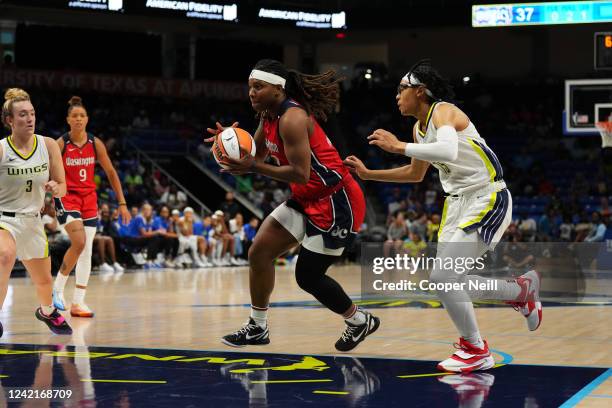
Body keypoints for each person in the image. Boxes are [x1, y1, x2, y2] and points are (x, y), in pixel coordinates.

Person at [344, 60, 541, 372]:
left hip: (486, 196)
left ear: (420, 91)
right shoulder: (417, 128)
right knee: (450, 281)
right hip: (457, 203)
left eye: (401, 89)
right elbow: (414, 173)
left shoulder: (443, 111)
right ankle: (520, 291)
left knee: (443, 277)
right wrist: (370, 175)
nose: (396, 96)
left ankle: (476, 348)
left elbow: (448, 151)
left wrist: (398, 146)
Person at [207, 59, 379, 351]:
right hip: (306, 197)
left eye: (258, 87)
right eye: (250, 87)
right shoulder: (267, 114)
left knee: (307, 277)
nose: (251, 93)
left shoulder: (292, 118)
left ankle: (359, 320)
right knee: (259, 252)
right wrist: (233, 144)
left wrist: (252, 167)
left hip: (337, 201)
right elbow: (258, 157)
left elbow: (301, 173)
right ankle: (257, 328)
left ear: (278, 88)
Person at [0, 88, 72, 335]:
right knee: (4, 255)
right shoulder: (1, 149)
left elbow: (63, 186)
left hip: (32, 221)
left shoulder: (48, 145)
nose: (29, 118)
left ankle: (47, 312)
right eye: (22, 114)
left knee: (44, 283)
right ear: (10, 120)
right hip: (4, 219)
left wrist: (55, 187)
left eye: (32, 113)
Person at [52, 96, 131, 318]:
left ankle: (78, 302)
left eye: (82, 116)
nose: (78, 119)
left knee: (86, 251)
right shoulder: (61, 144)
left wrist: (122, 203)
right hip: (67, 198)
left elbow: (111, 173)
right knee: (79, 242)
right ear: (68, 120)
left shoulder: (95, 143)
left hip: (89, 199)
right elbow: (48, 173)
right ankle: (56, 290)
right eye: (74, 116)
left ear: (87, 119)